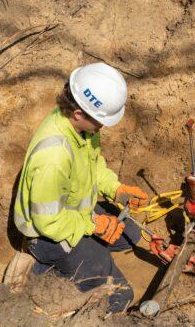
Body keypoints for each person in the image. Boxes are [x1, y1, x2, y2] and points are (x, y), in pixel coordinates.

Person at [12, 63, 150, 313]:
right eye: (101, 120)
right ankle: (39, 269)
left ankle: (82, 251)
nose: (103, 126)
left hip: (76, 211)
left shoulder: (83, 128)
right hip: (47, 234)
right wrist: (93, 226)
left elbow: (94, 165)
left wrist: (116, 189)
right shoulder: (53, 157)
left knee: (130, 236)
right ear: (78, 113)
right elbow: (47, 222)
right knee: (119, 296)